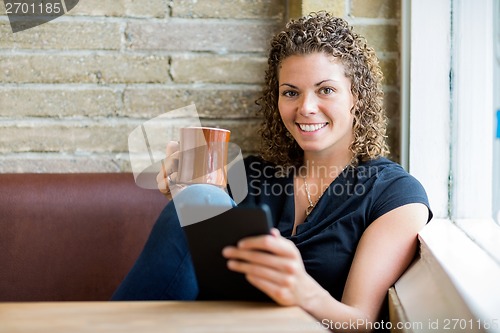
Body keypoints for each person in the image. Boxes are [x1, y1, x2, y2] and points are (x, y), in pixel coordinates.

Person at [112, 12, 432, 332]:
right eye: (291, 92)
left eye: (326, 90)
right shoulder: (251, 174)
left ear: (356, 98)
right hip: (216, 325)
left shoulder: (394, 194)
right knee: (193, 204)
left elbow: (362, 323)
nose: (305, 107)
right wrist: (182, 190)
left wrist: (302, 290)